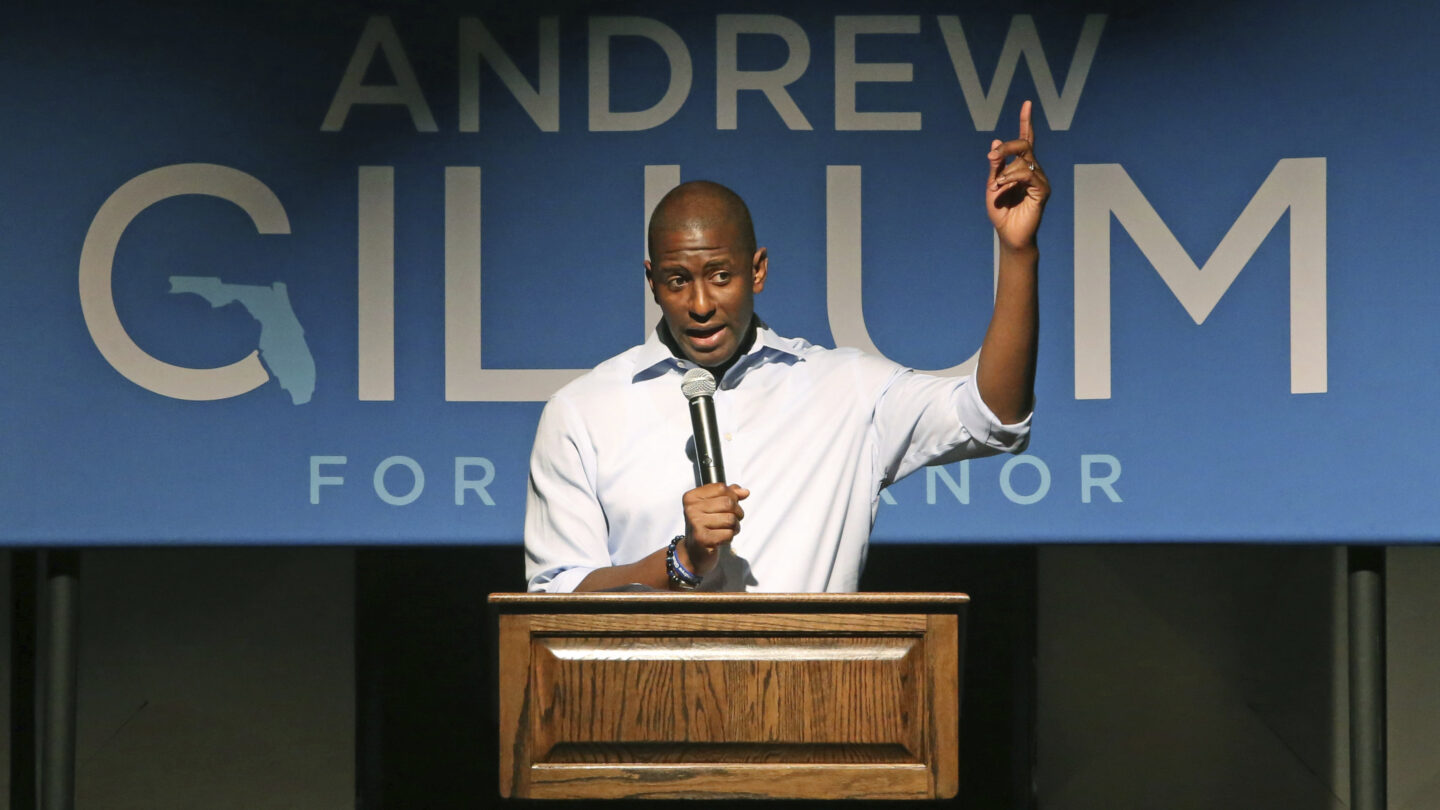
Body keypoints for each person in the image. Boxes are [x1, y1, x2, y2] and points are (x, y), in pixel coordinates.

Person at [525, 102, 1048, 592]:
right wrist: (680, 561)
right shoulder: (582, 413)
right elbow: (552, 600)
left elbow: (994, 417)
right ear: (652, 282)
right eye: (678, 280)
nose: (700, 304)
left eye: (721, 275)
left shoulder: (847, 392)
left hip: (811, 667)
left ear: (757, 270)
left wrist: (1017, 252)